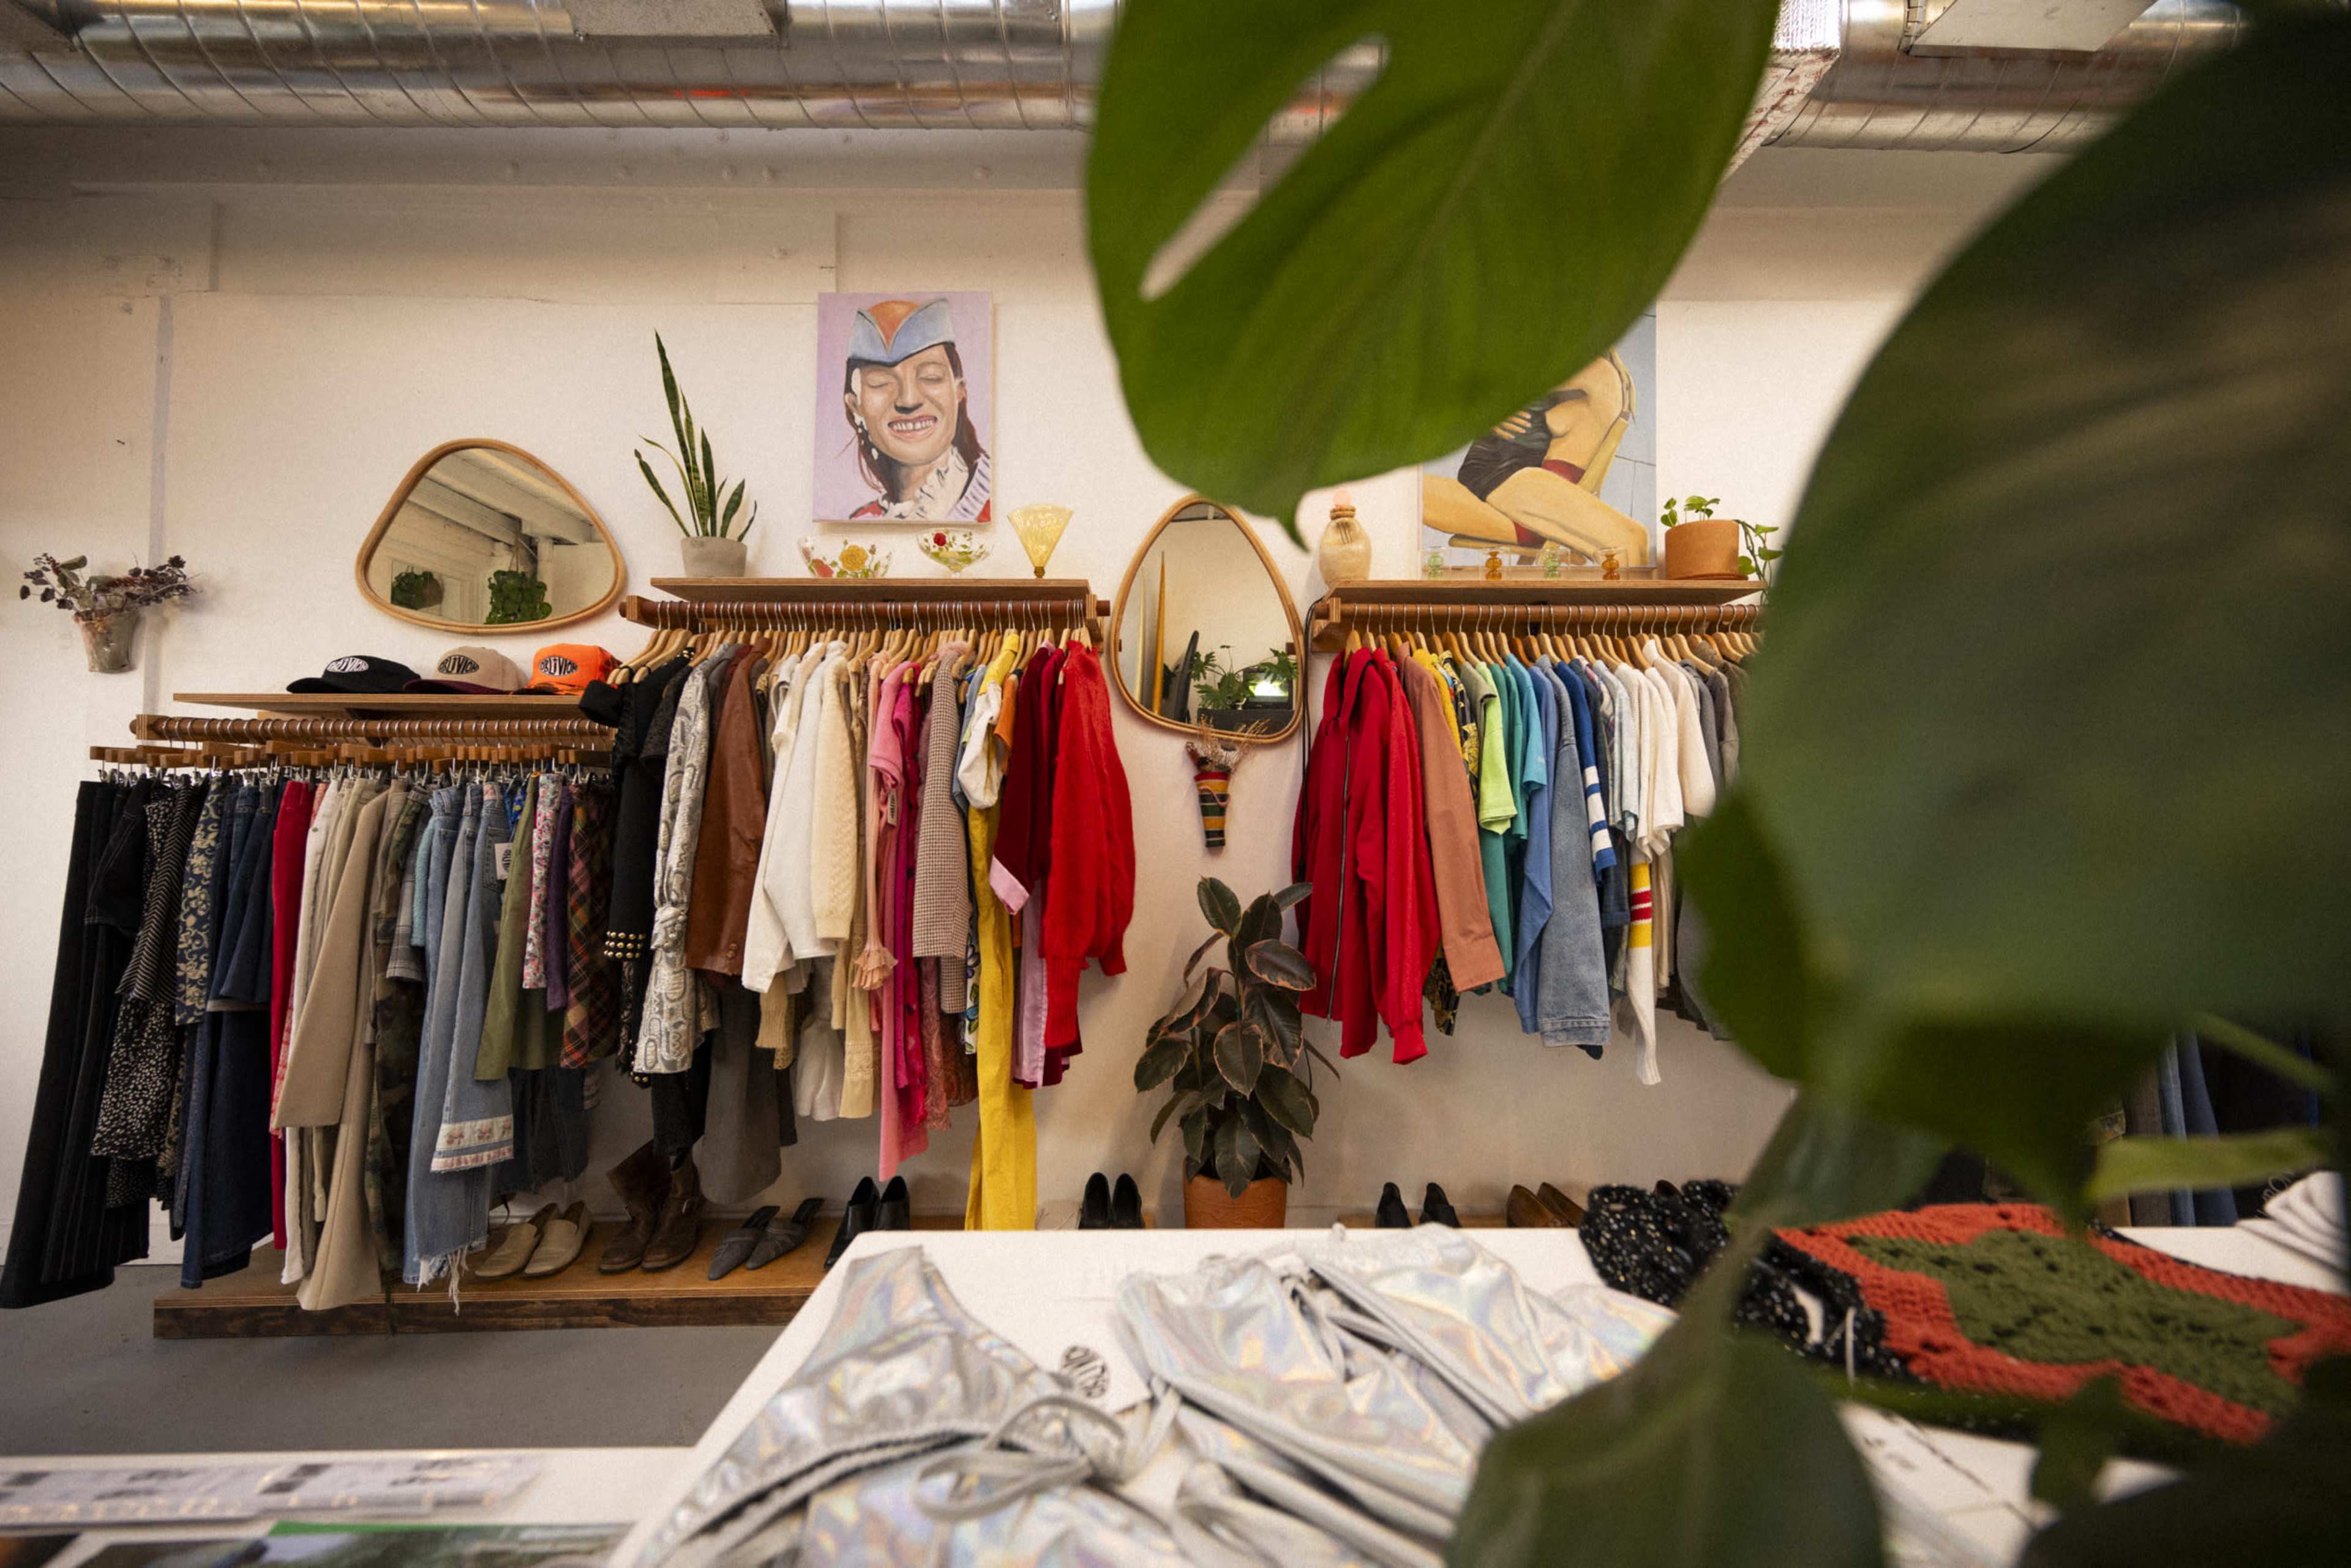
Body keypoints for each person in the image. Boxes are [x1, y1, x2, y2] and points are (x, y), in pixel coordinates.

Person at [1422, 350, 1650, 565]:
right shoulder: (1571, 389)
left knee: (1634, 538)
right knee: (1406, 489)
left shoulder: (1600, 373)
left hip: (1522, 496)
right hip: (1518, 500)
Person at [839, 298, 992, 522]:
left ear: (959, 391)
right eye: (881, 383)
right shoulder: (864, 520)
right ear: (856, 407)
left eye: (931, 377)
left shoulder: (995, 502)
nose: (908, 400)